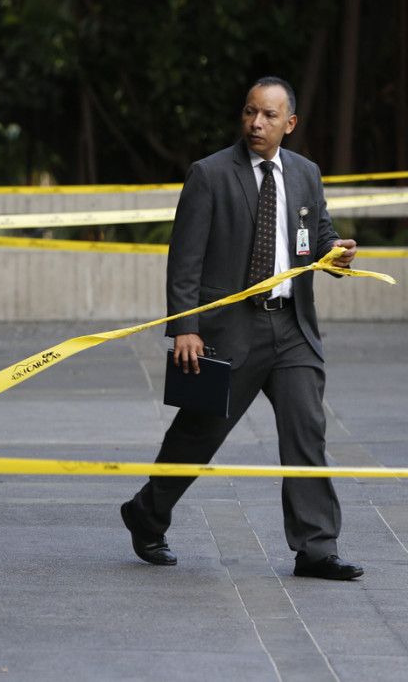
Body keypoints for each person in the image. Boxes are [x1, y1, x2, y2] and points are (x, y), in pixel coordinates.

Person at [120, 77, 363, 580]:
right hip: (229, 330)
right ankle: (147, 512)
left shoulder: (306, 174)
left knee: (306, 433)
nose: (256, 123)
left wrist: (336, 254)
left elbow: (317, 237)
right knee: (198, 434)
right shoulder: (209, 174)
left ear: (289, 124)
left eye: (269, 116)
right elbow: (184, 259)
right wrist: (186, 327)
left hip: (293, 328)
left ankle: (316, 548)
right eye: (250, 112)